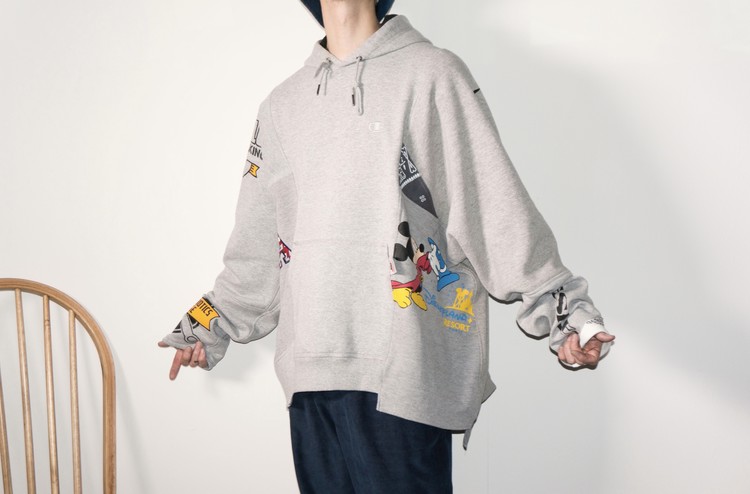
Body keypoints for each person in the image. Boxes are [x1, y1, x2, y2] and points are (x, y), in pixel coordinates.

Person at [159, 1, 616, 492]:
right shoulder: (282, 105)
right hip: (310, 373)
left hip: (404, 374)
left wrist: (563, 310)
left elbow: (490, 203)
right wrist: (209, 323)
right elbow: (258, 244)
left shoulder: (433, 75)